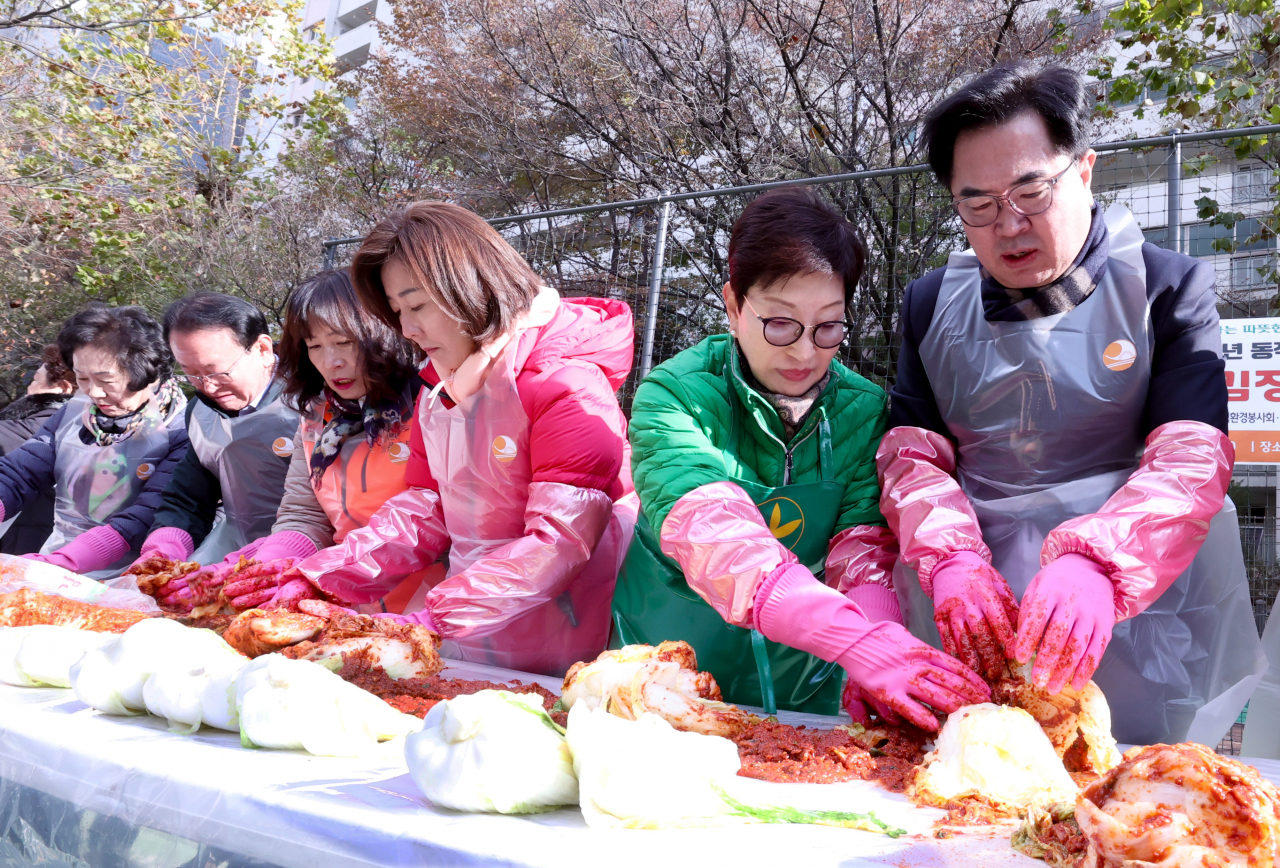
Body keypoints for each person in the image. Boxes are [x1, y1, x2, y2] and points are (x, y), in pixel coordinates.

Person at [878, 63, 1262, 745]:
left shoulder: (1166, 289)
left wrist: (1101, 565)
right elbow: (913, 458)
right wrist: (952, 558)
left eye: (1030, 190)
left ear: (1084, 170)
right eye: (980, 205)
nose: (1009, 225)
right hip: (972, 602)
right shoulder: (931, 303)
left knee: (1131, 783)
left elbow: (1191, 457)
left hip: (1135, 604)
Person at [612, 187, 989, 727]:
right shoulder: (675, 395)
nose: (806, 352)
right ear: (734, 305)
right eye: (781, 323)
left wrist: (881, 637)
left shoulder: (859, 409)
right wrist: (856, 640)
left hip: (803, 676)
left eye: (828, 326)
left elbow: (860, 543)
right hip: (666, 667)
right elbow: (715, 537)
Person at [270, 201, 637, 677]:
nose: (408, 329)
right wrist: (319, 577)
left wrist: (433, 616)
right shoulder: (441, 393)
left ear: (470, 286)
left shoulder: (564, 383)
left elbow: (561, 541)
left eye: (417, 305)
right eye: (398, 311)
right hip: (473, 622)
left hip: (571, 629)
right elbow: (424, 509)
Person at [159, 270, 427, 612]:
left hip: (434, 605)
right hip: (351, 604)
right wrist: (268, 564)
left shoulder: (430, 406)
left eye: (344, 342)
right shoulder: (319, 417)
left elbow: (431, 522)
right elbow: (304, 513)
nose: (331, 363)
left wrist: (321, 573)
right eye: (314, 347)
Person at [0, 305, 188, 578]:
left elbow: (151, 510)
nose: (94, 392)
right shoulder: (73, 414)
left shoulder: (182, 428)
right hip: (62, 561)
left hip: (141, 572)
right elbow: (20, 473)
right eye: (82, 378)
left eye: (105, 379)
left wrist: (67, 561)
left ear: (148, 372)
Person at [131, 293, 298, 567]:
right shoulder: (201, 412)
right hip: (234, 550)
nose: (208, 387)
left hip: (313, 555)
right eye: (191, 374)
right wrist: (166, 545)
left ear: (262, 350)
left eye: (217, 371)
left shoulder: (313, 400)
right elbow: (189, 497)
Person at [0, 345, 77, 555]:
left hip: (27, 538)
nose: (28, 388)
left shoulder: (51, 424)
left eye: (35, 380)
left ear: (63, 387)